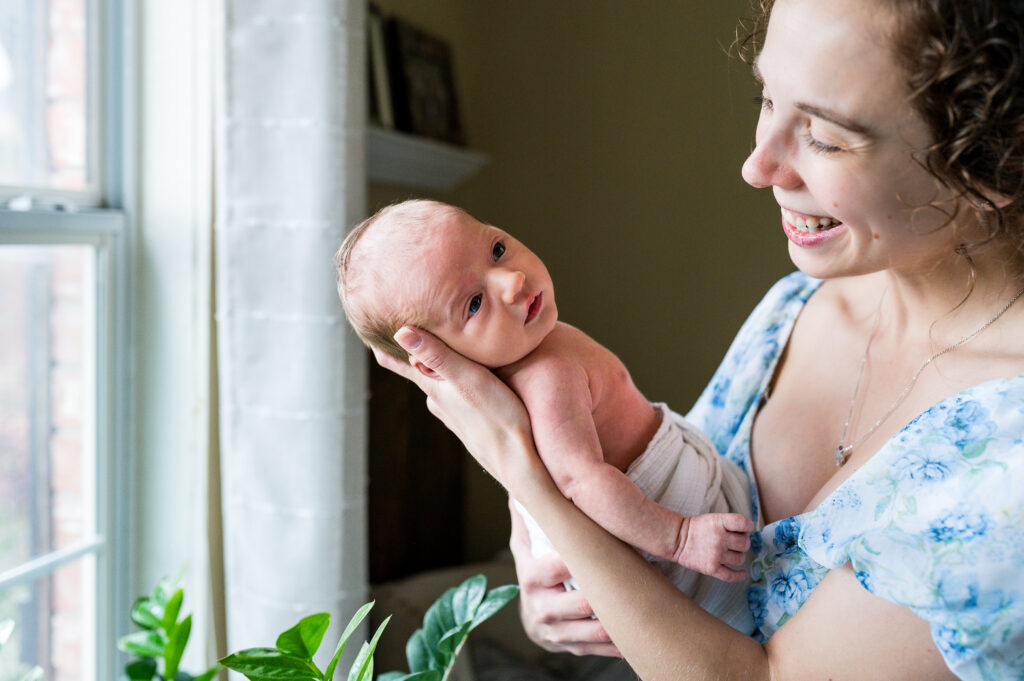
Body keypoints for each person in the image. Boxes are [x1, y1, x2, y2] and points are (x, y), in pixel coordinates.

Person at [373, 0, 1024, 677]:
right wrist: (559, 581)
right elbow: (647, 505)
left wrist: (522, 470)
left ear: (996, 158)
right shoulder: (794, 309)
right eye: (766, 98)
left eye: (826, 137)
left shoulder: (1009, 463)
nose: (757, 165)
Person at [335, 199, 756, 634]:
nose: (513, 281)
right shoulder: (545, 375)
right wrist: (681, 537)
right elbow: (580, 481)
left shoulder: (526, 360)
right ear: (434, 360)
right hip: (662, 542)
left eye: (496, 250)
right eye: (474, 304)